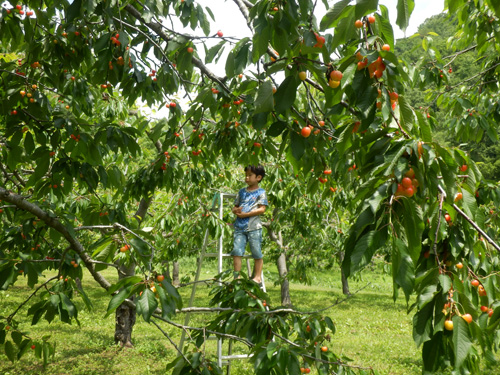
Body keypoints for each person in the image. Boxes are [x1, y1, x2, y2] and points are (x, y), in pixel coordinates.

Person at [231, 165, 268, 285]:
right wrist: (235, 211)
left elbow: (262, 209)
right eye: (246, 175)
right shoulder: (242, 192)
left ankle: (257, 277)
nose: (247, 178)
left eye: (249, 175)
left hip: (254, 227)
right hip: (239, 227)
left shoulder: (261, 192)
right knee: (237, 250)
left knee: (256, 251)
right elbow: (235, 207)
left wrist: (246, 214)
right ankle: (237, 277)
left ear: (258, 177)